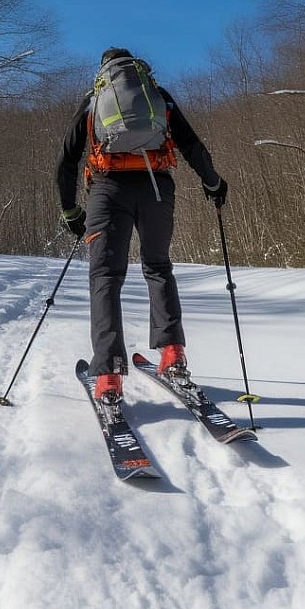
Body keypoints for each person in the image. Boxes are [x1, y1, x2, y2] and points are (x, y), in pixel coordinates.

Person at [55, 47, 228, 404]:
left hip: (108, 188)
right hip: (156, 187)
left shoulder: (95, 100)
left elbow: (66, 161)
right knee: (158, 266)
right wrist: (213, 183)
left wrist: (71, 212)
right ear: (137, 68)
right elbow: (192, 145)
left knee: (105, 276)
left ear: (104, 70)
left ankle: (107, 375)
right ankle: (173, 355)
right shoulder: (158, 98)